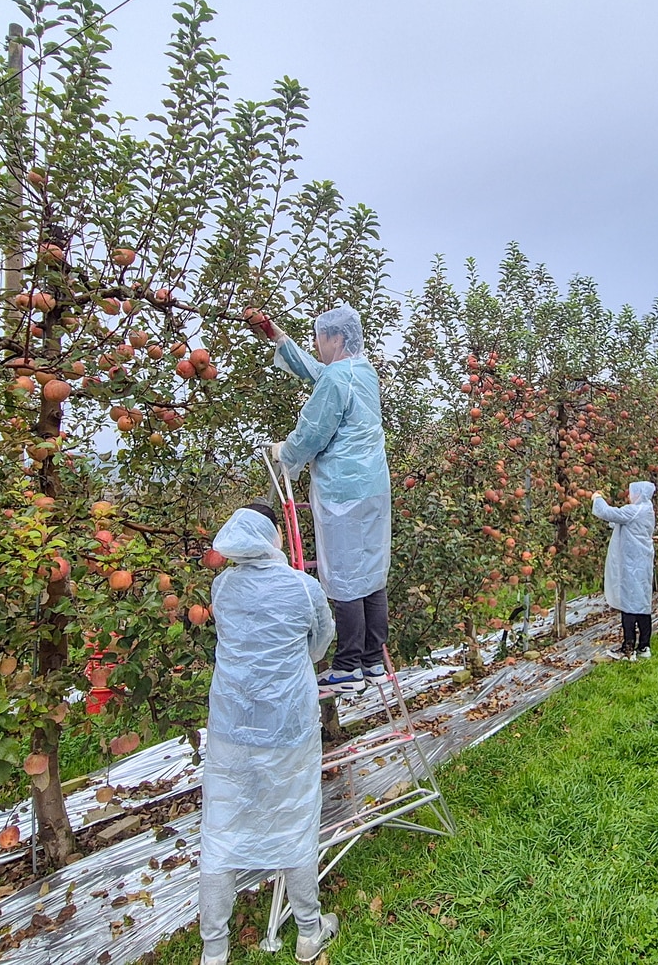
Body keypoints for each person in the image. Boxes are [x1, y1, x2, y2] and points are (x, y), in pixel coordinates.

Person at [198, 504, 339, 965]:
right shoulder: (303, 586)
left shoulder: (223, 585)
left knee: (221, 828)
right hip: (289, 726)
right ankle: (307, 930)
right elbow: (319, 645)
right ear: (274, 536)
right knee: (296, 819)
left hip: (231, 727)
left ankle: (214, 950)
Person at [245, 304, 391, 695]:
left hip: (344, 491)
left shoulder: (339, 378)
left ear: (337, 338)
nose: (317, 344)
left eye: (320, 338)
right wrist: (279, 339)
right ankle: (373, 661)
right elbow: (320, 373)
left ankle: (347, 667)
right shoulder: (363, 372)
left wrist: (285, 453)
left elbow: (313, 430)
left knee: (343, 575)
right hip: (374, 486)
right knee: (372, 572)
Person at [592, 482, 657, 660]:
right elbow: (620, 521)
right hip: (641, 563)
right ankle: (644, 647)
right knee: (642, 604)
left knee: (629, 604)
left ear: (639, 494)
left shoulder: (635, 510)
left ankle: (628, 649)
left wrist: (597, 499)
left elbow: (608, 513)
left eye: (632, 492)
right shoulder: (646, 509)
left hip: (632, 564)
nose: (630, 495)